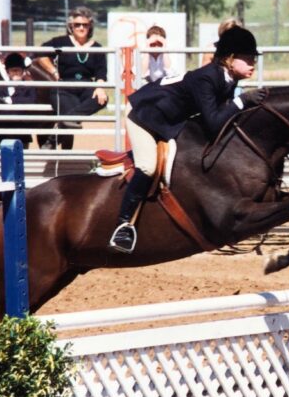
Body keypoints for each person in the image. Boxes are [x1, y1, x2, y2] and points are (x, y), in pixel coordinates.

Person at [108, 26, 267, 254]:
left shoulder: (227, 79)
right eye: (248, 58)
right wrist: (241, 101)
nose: (253, 63)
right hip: (144, 114)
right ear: (230, 58)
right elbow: (214, 121)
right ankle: (123, 225)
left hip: (169, 119)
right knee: (148, 165)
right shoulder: (208, 78)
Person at [36, 6, 108, 150]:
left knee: (101, 99)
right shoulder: (61, 42)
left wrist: (100, 87)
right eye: (77, 25)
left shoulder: (97, 47)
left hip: (87, 85)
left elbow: (101, 71)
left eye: (85, 25)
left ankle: (53, 139)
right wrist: (53, 72)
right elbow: (40, 53)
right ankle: (64, 150)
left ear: (90, 26)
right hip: (65, 86)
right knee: (70, 114)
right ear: (71, 26)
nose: (81, 28)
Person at [0, 51, 36, 148]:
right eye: (13, 70)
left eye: (18, 70)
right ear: (8, 72)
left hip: (21, 130)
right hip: (2, 131)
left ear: (22, 71)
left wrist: (12, 101)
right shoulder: (0, 87)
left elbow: (31, 101)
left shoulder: (29, 87)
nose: (15, 73)